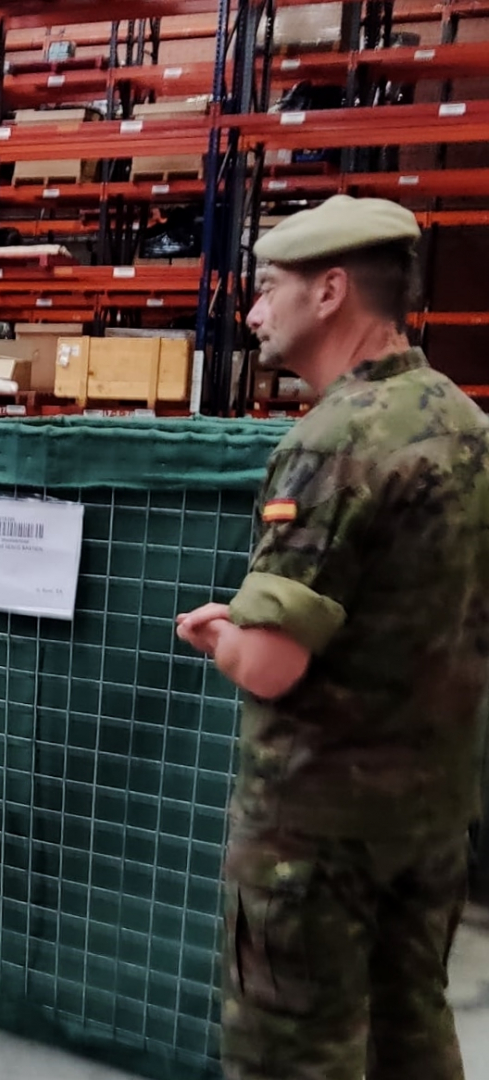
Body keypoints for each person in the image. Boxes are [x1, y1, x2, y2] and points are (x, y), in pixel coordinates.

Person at [174, 195, 489, 1080]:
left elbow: (272, 666)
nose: (253, 310)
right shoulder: (465, 424)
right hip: (428, 814)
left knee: (294, 1055)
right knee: (410, 1032)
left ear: (332, 291)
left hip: (318, 836)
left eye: (270, 287)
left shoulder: (331, 442)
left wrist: (220, 635)